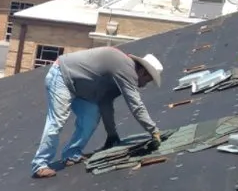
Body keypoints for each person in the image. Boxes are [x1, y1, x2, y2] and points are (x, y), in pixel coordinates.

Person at [30, 48, 164, 179]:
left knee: (92, 116)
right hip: (61, 76)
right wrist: (153, 131)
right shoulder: (126, 68)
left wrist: (112, 134)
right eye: (147, 80)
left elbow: (105, 103)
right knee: (57, 120)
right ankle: (40, 164)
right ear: (142, 72)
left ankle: (71, 154)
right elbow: (136, 106)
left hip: (80, 88)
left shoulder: (119, 77)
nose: (144, 85)